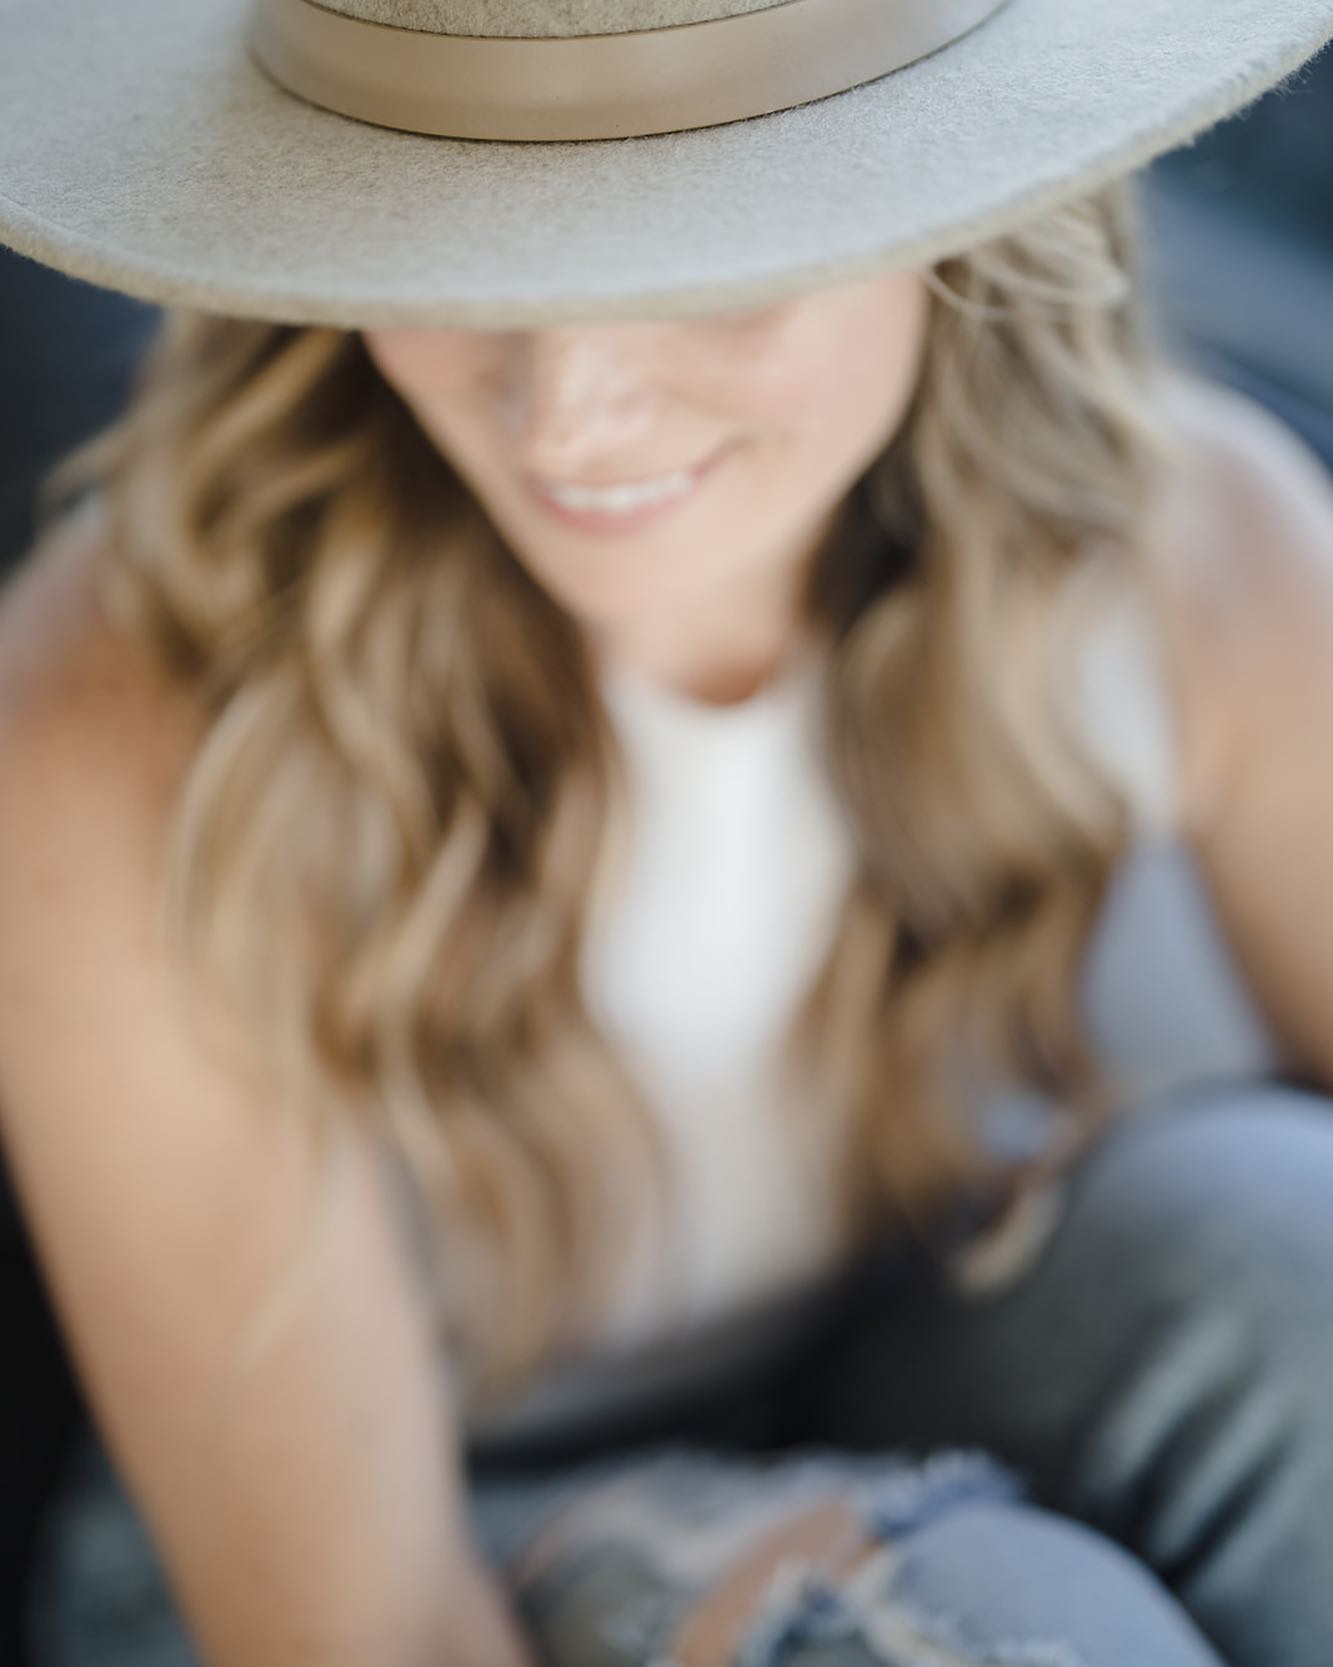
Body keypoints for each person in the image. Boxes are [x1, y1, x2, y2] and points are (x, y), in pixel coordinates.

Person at [2, 1, 1333, 1664]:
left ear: (956, 206)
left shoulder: (1195, 554)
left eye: (707, 265)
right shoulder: (126, 713)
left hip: (920, 1359)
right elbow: (365, 1633)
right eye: (448, 237)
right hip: (382, 1544)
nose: (562, 416)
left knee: (1291, 1248)